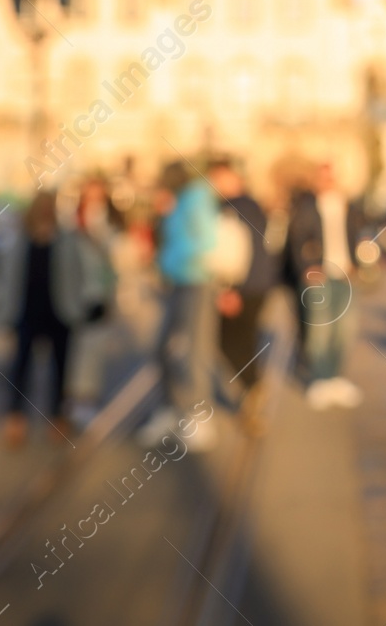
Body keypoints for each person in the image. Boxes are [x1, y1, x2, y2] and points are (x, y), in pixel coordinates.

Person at [0, 192, 106, 446]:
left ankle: (58, 418)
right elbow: (6, 280)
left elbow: (86, 272)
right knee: (20, 369)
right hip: (25, 315)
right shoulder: (18, 241)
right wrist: (4, 314)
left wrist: (90, 302)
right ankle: (15, 418)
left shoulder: (68, 240)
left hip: (60, 314)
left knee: (61, 370)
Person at [139, 161, 219, 446]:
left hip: (196, 282)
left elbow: (206, 241)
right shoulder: (179, 202)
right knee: (164, 349)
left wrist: (170, 259)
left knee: (193, 350)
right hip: (177, 282)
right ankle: (170, 408)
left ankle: (199, 417)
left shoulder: (196, 199)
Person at [287, 163, 364, 409]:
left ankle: (335, 377)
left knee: (344, 330)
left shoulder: (348, 206)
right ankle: (319, 379)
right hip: (318, 276)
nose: (327, 182)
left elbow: (356, 235)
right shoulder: (306, 206)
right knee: (319, 331)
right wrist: (307, 266)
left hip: (344, 275)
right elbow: (296, 239)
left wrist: (357, 263)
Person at [207, 159, 275, 390]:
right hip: (256, 285)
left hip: (244, 287)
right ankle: (252, 388)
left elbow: (238, 252)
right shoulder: (249, 204)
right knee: (243, 341)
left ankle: (253, 388)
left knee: (233, 342)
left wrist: (230, 289)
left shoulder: (234, 207)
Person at [66, 179, 120, 429]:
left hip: (99, 298)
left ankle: (86, 401)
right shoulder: (73, 231)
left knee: (94, 352)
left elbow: (110, 267)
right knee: (80, 353)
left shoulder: (107, 229)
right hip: (79, 299)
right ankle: (77, 402)